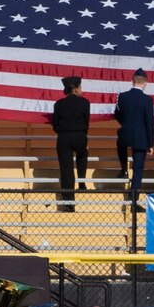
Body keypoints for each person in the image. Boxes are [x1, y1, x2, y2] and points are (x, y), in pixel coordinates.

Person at [114, 68, 154, 202]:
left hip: (125, 133)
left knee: (121, 145)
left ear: (132, 81)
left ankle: (123, 169)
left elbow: (117, 114)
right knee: (138, 171)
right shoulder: (147, 100)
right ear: (145, 83)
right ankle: (134, 200)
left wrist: (126, 123)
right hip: (141, 137)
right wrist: (151, 144)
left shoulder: (121, 96)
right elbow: (149, 122)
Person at [50, 76, 90, 208]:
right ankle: (82, 182)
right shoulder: (85, 103)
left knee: (66, 170)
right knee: (83, 153)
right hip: (79, 135)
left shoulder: (59, 104)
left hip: (64, 137)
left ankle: (68, 202)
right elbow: (86, 122)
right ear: (76, 89)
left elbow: (55, 124)